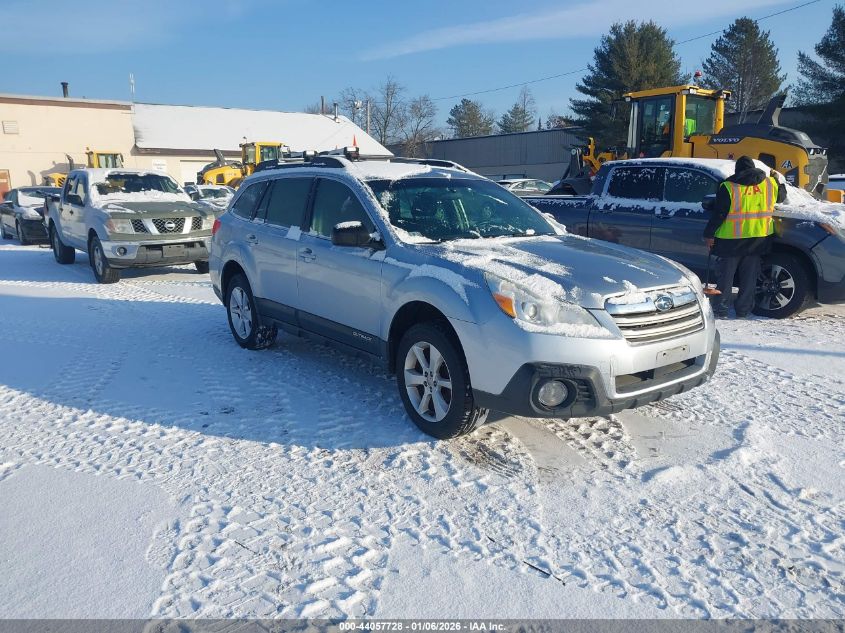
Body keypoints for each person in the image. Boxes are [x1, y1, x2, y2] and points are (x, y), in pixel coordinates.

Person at [703, 155, 787, 318]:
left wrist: (709, 234)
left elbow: (720, 214)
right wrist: (776, 179)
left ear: (738, 170)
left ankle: (721, 310)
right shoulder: (769, 184)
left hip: (730, 241)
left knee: (725, 278)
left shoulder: (728, 186)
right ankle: (743, 310)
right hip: (758, 240)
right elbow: (781, 197)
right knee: (749, 278)